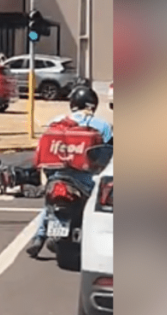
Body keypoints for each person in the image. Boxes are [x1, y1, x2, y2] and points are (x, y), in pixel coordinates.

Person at [25, 85, 114, 258]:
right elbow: (109, 151)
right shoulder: (101, 125)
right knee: (95, 204)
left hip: (56, 174)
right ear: (92, 105)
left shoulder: (57, 121)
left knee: (48, 204)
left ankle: (38, 237)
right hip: (84, 177)